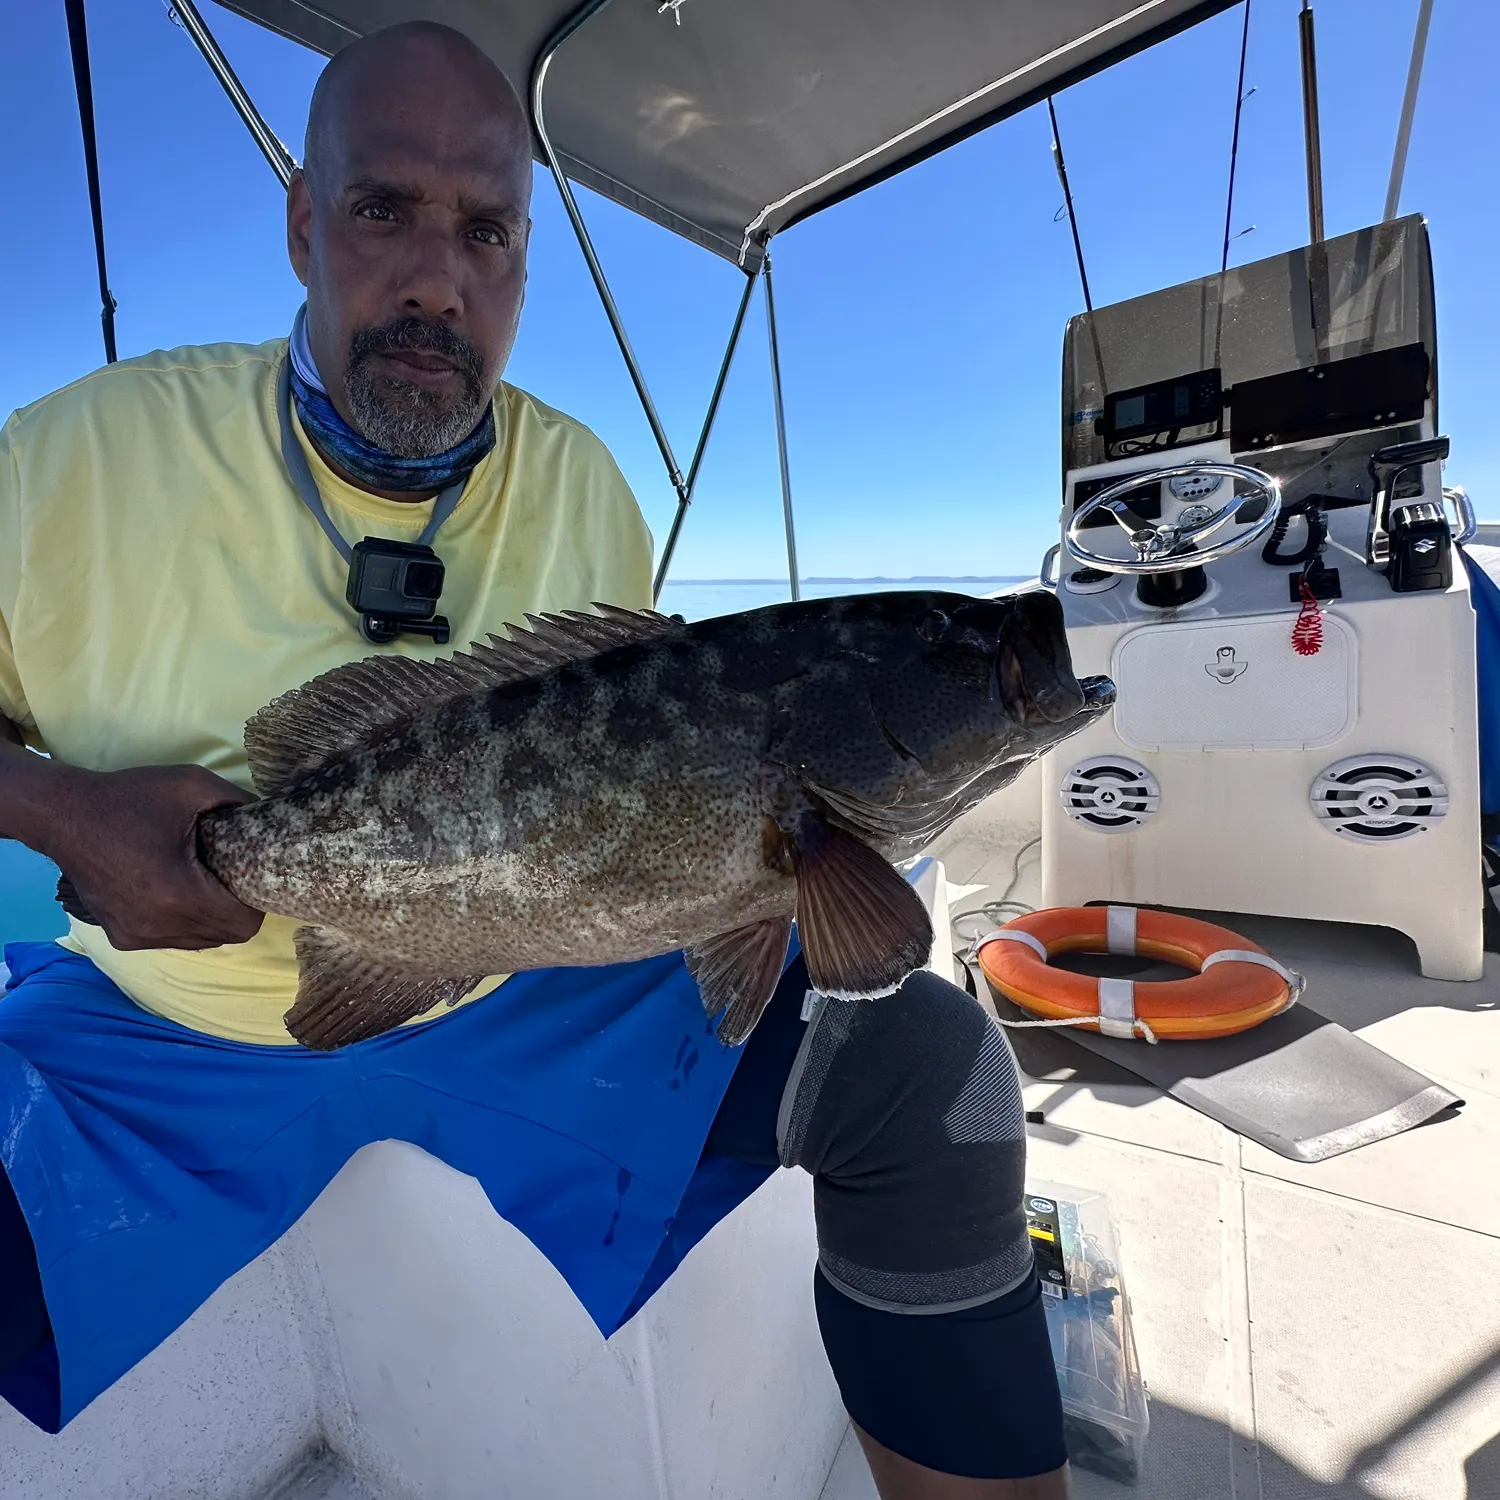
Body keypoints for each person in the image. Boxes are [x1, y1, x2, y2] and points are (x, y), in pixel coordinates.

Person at [0, 22, 1071, 1498]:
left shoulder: (585, 485)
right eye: (383, 209)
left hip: (517, 994)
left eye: (487, 232)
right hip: (152, 1030)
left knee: (937, 1085)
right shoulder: (67, 458)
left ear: (522, 259)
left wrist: (755, 886)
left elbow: (664, 805)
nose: (437, 280)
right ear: (303, 224)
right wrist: (54, 805)